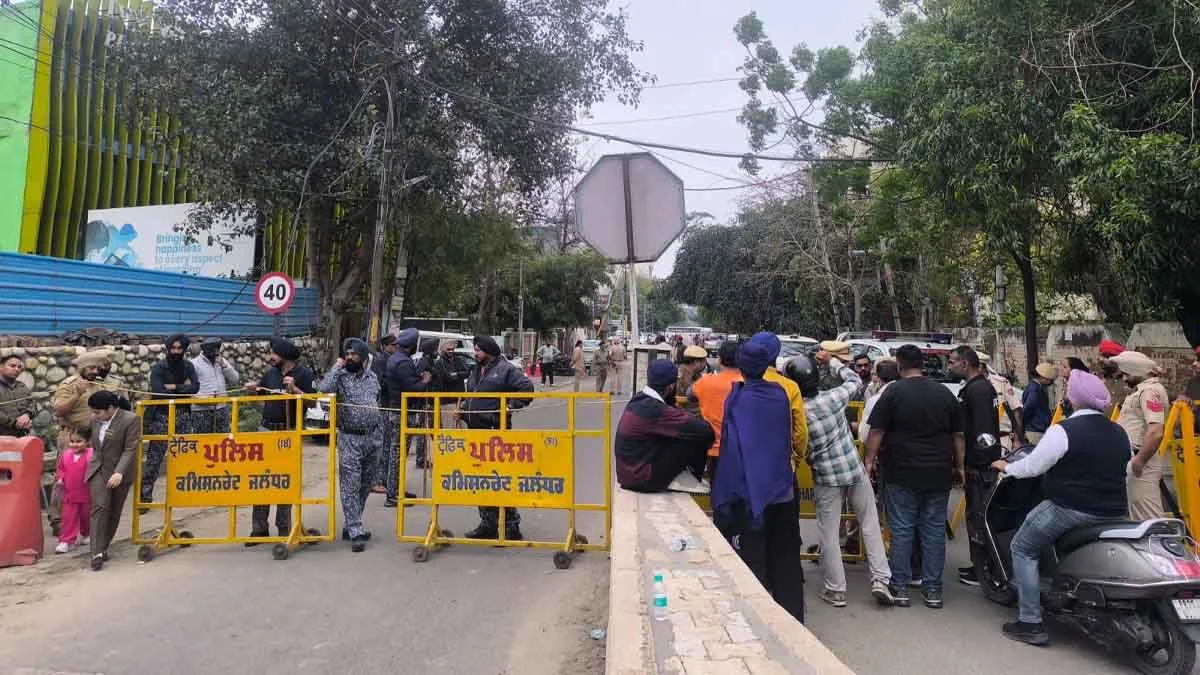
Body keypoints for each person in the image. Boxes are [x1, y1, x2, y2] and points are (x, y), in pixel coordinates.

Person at [990, 370, 1128, 646]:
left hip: (1070, 507)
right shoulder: (1118, 431)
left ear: (1072, 398)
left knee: (1023, 547)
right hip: (1114, 510)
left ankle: (1030, 622)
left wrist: (1007, 467)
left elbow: (1034, 466)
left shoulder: (1063, 430)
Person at [787, 352, 894, 608]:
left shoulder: (796, 411)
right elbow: (854, 380)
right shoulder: (833, 398)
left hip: (826, 477)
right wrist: (831, 361)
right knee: (869, 524)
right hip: (854, 471)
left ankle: (836, 590)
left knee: (829, 533)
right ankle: (880, 580)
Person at [865, 344, 964, 609]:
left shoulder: (893, 392)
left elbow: (876, 431)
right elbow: (958, 435)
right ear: (922, 364)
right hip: (938, 471)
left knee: (901, 528)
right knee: (933, 530)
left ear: (899, 365)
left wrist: (869, 460)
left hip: (901, 471)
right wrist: (960, 467)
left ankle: (900, 587)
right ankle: (933, 590)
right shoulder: (944, 393)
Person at [713, 342, 806, 623]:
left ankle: (758, 621)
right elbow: (795, 433)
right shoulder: (781, 393)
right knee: (786, 558)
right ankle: (792, 619)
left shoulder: (737, 398)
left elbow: (733, 447)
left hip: (751, 494)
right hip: (782, 488)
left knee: (753, 559)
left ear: (740, 367)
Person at [460, 335, 535, 539]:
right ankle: (488, 523)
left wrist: (510, 407)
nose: (475, 353)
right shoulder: (475, 370)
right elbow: (472, 395)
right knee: (482, 480)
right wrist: (464, 409)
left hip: (496, 434)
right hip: (475, 434)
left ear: (489, 351)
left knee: (500, 479)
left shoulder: (506, 369)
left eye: (478, 350)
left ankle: (510, 526)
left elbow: (527, 389)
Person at [243, 337, 315, 541]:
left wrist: (296, 390)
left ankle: (284, 528)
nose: (270, 357)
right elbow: (261, 394)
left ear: (284, 356)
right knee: (262, 480)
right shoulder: (270, 374)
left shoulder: (303, 374)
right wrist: (252, 391)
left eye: (274, 353)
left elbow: (312, 402)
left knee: (285, 481)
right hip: (266, 431)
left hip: (289, 432)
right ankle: (259, 528)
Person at [318, 338, 382, 552]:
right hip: (349, 438)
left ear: (363, 357)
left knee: (366, 483)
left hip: (372, 438)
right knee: (350, 485)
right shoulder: (340, 377)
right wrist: (337, 366)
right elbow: (323, 388)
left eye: (354, 354)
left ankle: (351, 523)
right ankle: (355, 529)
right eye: (347, 353)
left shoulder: (372, 377)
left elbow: (377, 401)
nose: (349, 357)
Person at [614, 359, 714, 494]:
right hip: (642, 479)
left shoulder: (640, 399)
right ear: (670, 387)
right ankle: (690, 479)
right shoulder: (654, 409)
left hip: (629, 473)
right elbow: (705, 431)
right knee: (698, 435)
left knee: (681, 431)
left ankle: (680, 476)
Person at [949, 346, 1002, 588]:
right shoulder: (977, 388)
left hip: (980, 466)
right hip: (979, 463)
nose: (950, 366)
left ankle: (984, 569)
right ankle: (979, 565)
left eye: (953, 362)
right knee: (976, 516)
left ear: (966, 364)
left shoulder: (977, 391)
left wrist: (976, 463)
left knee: (979, 518)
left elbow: (983, 433)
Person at [747, 332, 810, 495]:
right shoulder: (790, 387)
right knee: (784, 517)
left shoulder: (740, 383)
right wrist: (796, 458)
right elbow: (800, 431)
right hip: (781, 466)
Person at [1111, 350, 1169, 521]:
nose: (1124, 378)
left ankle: (1157, 547)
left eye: (1126, 374)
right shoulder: (1143, 391)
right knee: (1138, 516)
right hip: (1136, 459)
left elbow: (1156, 432)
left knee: (1148, 517)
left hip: (1141, 460)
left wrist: (1139, 461)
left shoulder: (1151, 392)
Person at [140, 335, 199, 505]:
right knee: (154, 458)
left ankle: (184, 494)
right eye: (173, 348)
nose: (176, 351)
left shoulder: (188, 366)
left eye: (179, 348)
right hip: (162, 417)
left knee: (184, 456)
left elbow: (195, 388)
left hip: (183, 416)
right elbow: (159, 392)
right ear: (168, 349)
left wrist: (173, 387)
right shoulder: (159, 368)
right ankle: (145, 496)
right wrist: (183, 388)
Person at [85, 390, 141, 571]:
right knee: (100, 507)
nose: (94, 416)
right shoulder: (95, 420)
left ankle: (104, 546)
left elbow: (130, 449)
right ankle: (96, 553)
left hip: (119, 472)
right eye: (93, 412)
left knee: (114, 512)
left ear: (110, 408)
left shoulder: (130, 419)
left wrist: (119, 472)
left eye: (98, 412)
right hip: (99, 469)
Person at [384, 328, 431, 506]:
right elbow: (413, 388)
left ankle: (396, 490)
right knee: (398, 454)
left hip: (397, 410)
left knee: (397, 453)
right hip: (402, 411)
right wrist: (424, 380)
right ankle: (393, 495)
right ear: (412, 346)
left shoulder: (395, 359)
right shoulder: (403, 362)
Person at [690, 341, 742, 482]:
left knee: (716, 491)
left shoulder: (706, 381)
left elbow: (690, 395)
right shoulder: (747, 383)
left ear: (719, 359)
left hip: (712, 450)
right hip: (740, 451)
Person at [53, 426, 93, 554]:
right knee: (68, 517)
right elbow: (61, 469)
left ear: (87, 442)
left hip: (86, 493)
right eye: (72, 441)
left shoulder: (91, 454)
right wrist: (60, 478)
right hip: (69, 494)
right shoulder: (66, 455)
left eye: (78, 441)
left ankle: (87, 533)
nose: (74, 444)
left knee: (85, 516)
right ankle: (66, 541)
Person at [190, 337, 239, 434]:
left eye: (217, 351)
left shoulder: (221, 361)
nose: (215, 354)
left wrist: (224, 366)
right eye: (213, 352)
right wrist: (203, 399)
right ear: (206, 351)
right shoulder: (194, 364)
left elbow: (235, 379)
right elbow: (189, 388)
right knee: (203, 441)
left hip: (221, 408)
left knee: (223, 440)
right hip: (202, 410)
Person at [370, 334, 398, 492]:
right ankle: (378, 481)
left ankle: (384, 479)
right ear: (386, 346)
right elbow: (380, 383)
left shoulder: (389, 359)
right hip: (382, 405)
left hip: (388, 405)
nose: (396, 347)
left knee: (388, 443)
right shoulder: (381, 360)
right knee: (382, 443)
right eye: (393, 345)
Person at [979, 352, 1025, 448]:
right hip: (978, 440)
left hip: (1002, 439)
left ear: (980, 367)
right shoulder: (966, 385)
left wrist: (1017, 439)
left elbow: (1016, 410)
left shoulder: (1001, 383)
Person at [1020, 363, 1057, 446]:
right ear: (1042, 377)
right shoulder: (1034, 390)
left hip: (1036, 428)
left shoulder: (1036, 388)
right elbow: (1027, 409)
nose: (1049, 383)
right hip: (1035, 430)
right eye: (1049, 380)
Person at [0, 354, 33, 437]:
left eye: (19, 367)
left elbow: (32, 403)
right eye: (12, 366)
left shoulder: (22, 386)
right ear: (1, 367)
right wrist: (14, 423)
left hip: (22, 435)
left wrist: (27, 415)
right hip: (3, 436)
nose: (16, 369)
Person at [675, 345, 709, 409]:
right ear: (696, 362)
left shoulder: (694, 373)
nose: (705, 364)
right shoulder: (683, 375)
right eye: (704, 361)